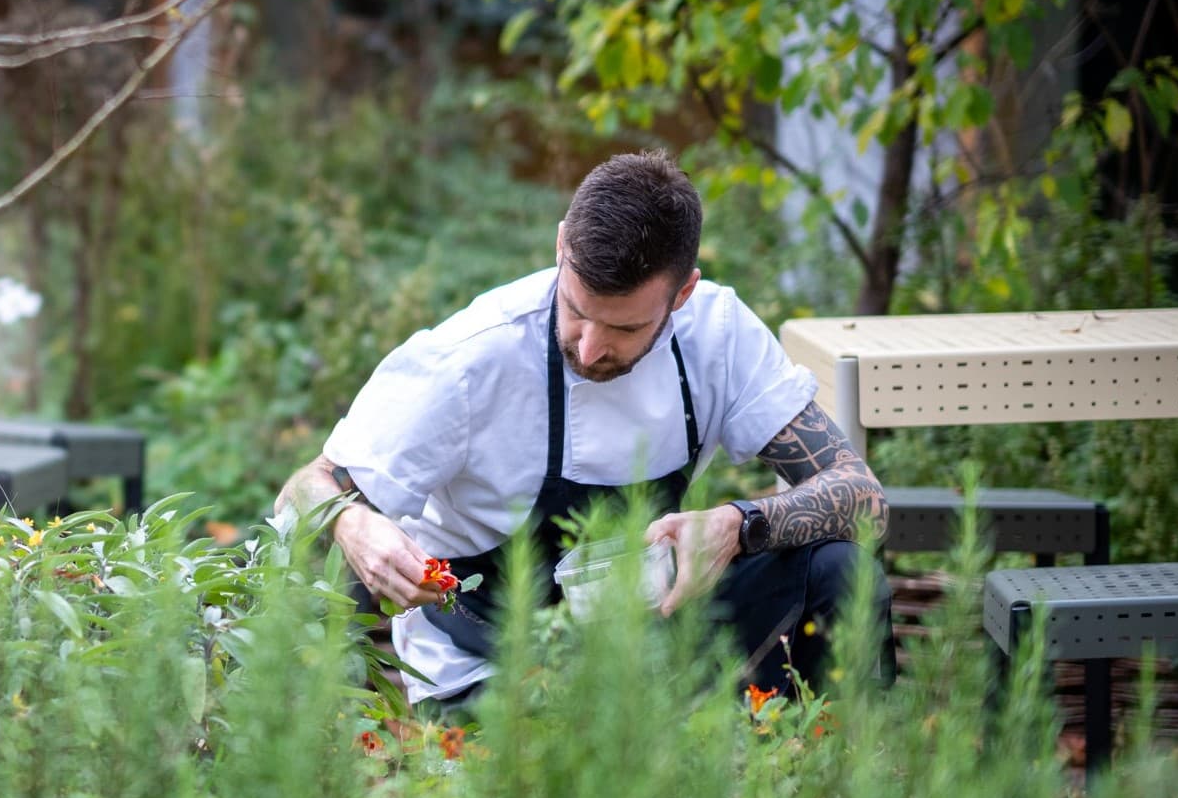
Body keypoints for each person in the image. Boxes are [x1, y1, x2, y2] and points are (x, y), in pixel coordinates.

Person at [275, 150, 890, 709]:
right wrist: (351, 522)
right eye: (575, 311)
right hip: (492, 675)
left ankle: (844, 790)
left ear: (683, 294)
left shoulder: (719, 335)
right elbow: (310, 484)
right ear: (562, 244)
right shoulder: (468, 360)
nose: (591, 348)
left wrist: (739, 524)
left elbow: (863, 495)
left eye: (623, 330)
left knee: (841, 572)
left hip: (657, 642)